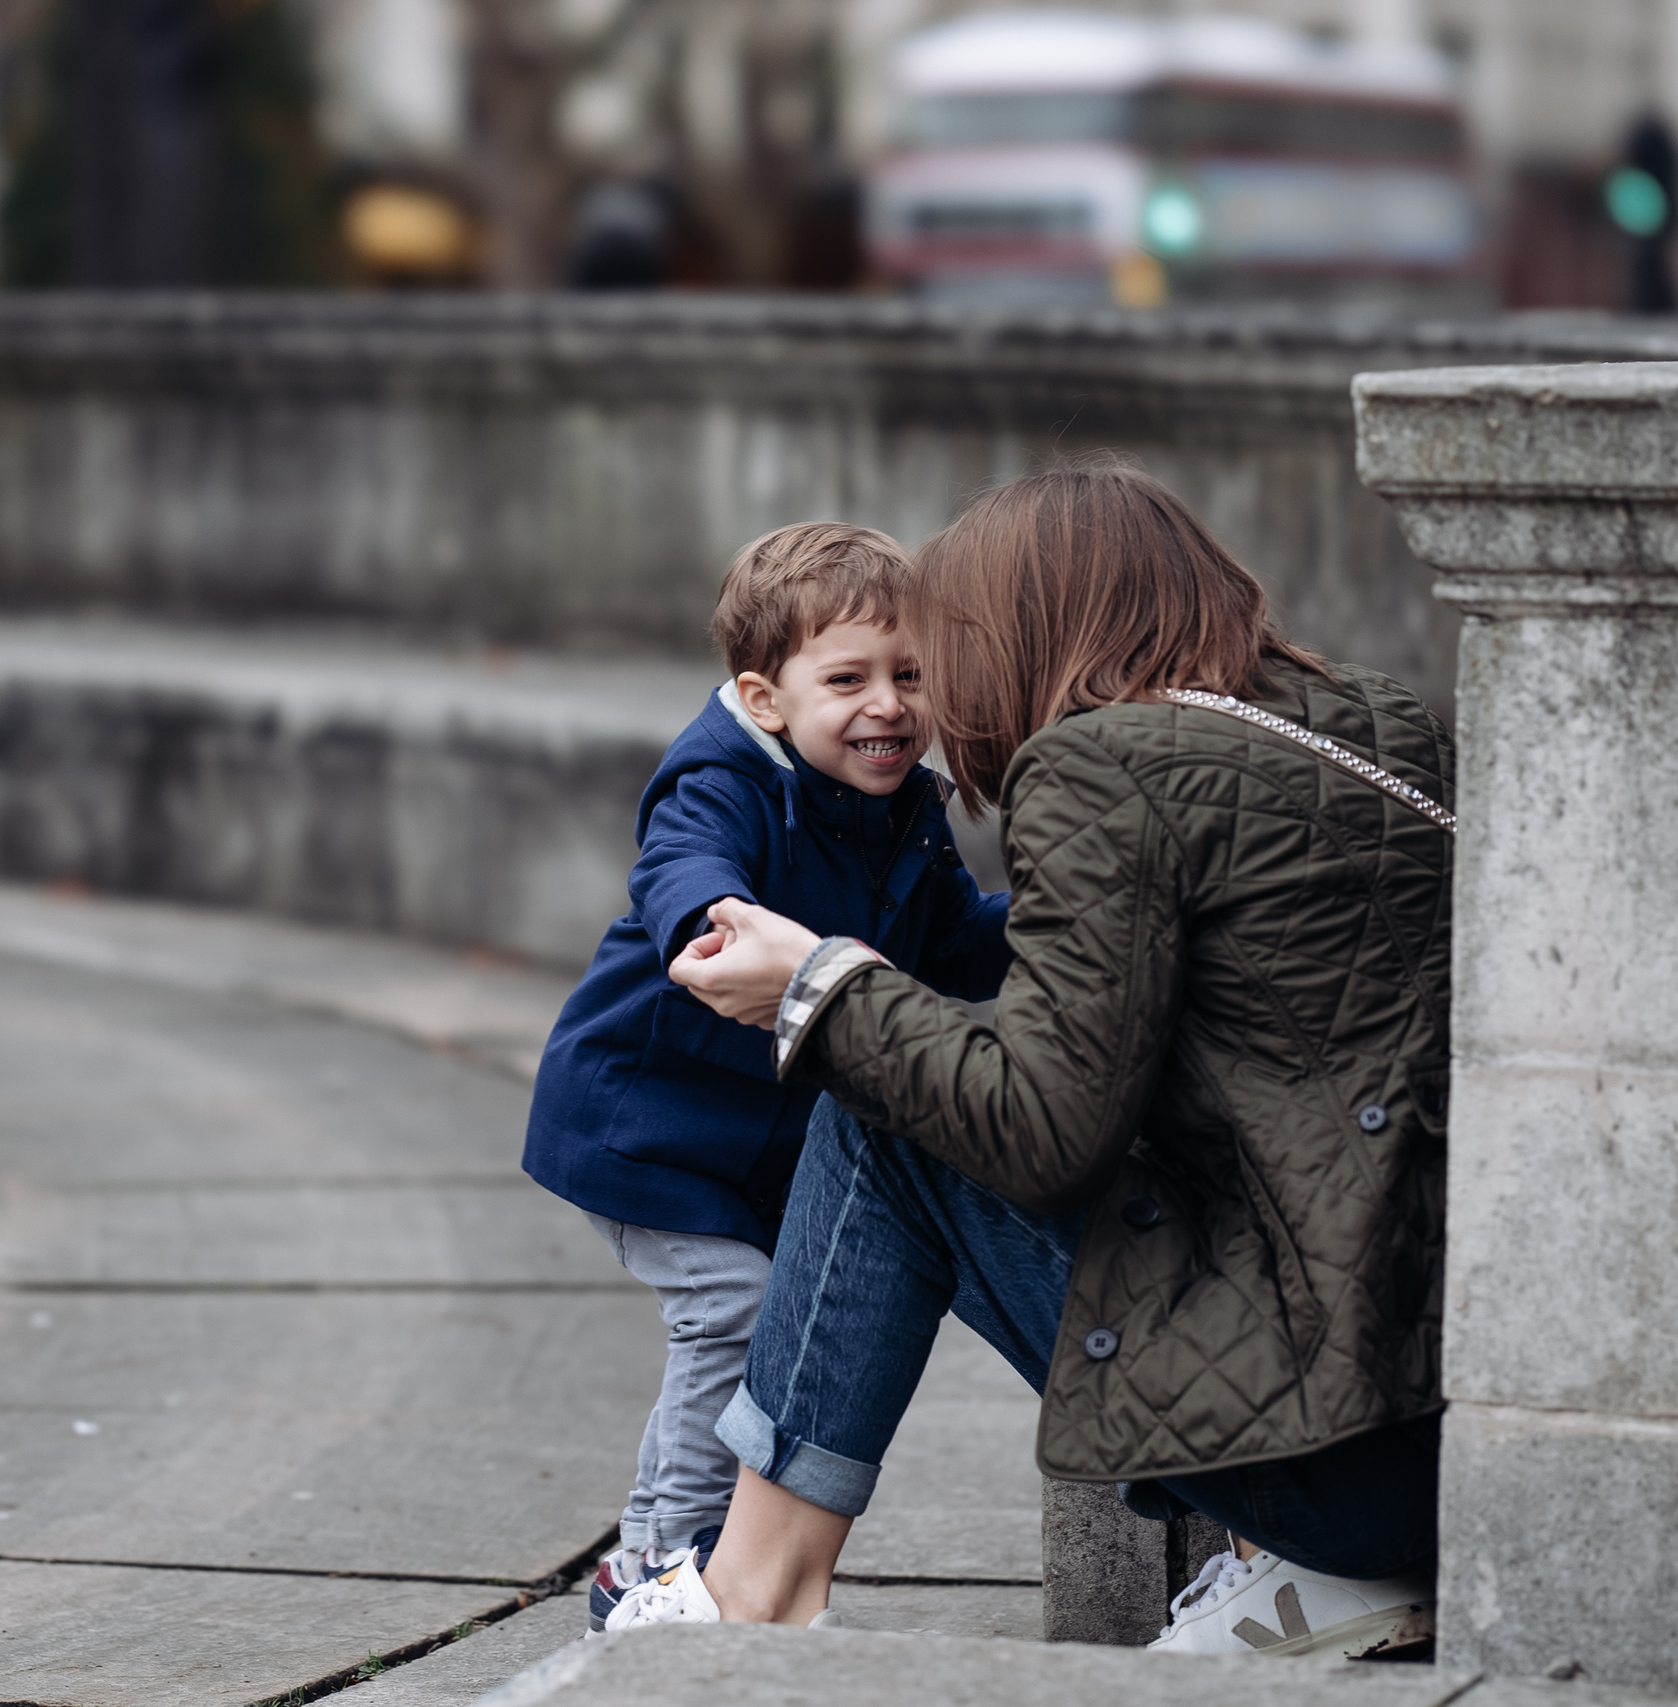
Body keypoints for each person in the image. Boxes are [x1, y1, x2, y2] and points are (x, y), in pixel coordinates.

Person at [613, 463, 1453, 1658]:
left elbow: (1043, 1131)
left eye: (940, 655)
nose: (935, 694)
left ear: (1017, 629)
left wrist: (815, 987)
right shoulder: (1378, 722)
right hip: (1446, 1431)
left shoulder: (1099, 764)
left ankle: (750, 1594)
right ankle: (1301, 1574)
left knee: (878, 1101)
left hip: (1323, 1458)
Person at [522, 522, 1013, 1634]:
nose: (886, 704)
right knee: (731, 1312)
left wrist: (1063, 921)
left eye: (909, 675)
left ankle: (705, 1552)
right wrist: (711, 918)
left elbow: (950, 946)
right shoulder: (725, 779)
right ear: (765, 697)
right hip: (646, 1125)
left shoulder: (901, 815)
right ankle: (652, 1558)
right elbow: (677, 863)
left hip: (762, 1136)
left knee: (796, 1313)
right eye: (847, 679)